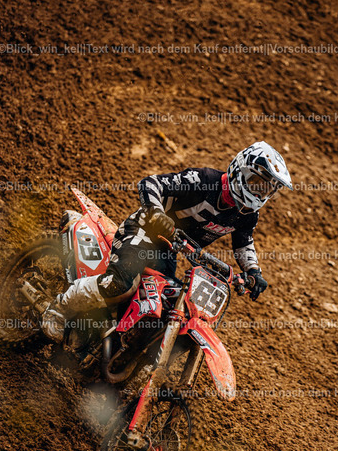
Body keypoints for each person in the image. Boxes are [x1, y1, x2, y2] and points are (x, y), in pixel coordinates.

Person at [42, 140, 293, 342]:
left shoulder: (247, 214)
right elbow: (151, 183)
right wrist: (156, 213)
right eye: (257, 184)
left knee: (165, 308)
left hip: (168, 250)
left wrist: (253, 272)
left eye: (267, 189)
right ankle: (58, 310)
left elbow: (244, 242)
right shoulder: (204, 181)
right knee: (119, 283)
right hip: (143, 231)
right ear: (241, 170)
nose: (260, 193)